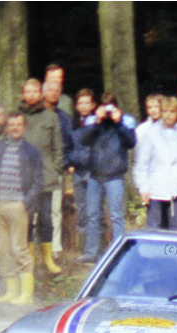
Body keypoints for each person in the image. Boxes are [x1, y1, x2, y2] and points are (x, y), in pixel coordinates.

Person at [0, 112, 44, 305]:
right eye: (11, 125)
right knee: (2, 249)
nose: (15, 128)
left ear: (24, 128)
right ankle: (11, 290)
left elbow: (38, 181)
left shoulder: (31, 152)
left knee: (19, 248)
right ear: (6, 128)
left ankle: (26, 294)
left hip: (18, 205)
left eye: (19, 125)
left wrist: (26, 201)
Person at [77, 93, 137, 261]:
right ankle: (91, 252)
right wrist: (97, 121)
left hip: (115, 175)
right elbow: (83, 140)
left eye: (111, 107)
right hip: (95, 175)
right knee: (92, 215)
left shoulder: (125, 121)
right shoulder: (93, 122)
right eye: (105, 107)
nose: (108, 112)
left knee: (116, 215)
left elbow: (131, 142)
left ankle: (118, 252)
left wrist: (119, 124)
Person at [133, 96, 177, 231]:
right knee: (153, 228)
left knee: (176, 229)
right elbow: (142, 164)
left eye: (172, 111)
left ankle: (174, 252)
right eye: (165, 111)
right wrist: (143, 187)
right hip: (155, 189)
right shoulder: (151, 133)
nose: (168, 115)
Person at [19, 78, 63, 275]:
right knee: (26, 218)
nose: (31, 95)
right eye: (27, 92)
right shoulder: (18, 116)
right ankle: (30, 259)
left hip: (46, 176)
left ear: (41, 94)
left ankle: (48, 258)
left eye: (34, 91)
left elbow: (58, 148)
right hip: (23, 178)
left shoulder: (50, 117)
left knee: (46, 218)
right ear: (23, 94)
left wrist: (55, 169)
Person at [42, 79, 74, 256]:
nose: (54, 93)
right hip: (36, 170)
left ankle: (55, 247)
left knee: (55, 210)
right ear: (43, 93)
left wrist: (66, 163)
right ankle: (37, 245)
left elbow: (69, 142)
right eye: (50, 90)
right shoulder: (35, 115)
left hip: (56, 170)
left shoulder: (64, 118)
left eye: (57, 91)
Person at [70, 89, 97, 257]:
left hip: (93, 172)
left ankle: (96, 248)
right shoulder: (73, 125)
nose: (83, 106)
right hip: (77, 172)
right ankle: (83, 248)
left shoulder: (97, 124)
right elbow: (69, 146)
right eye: (80, 103)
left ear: (93, 105)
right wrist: (70, 162)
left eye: (87, 102)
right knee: (81, 209)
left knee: (94, 210)